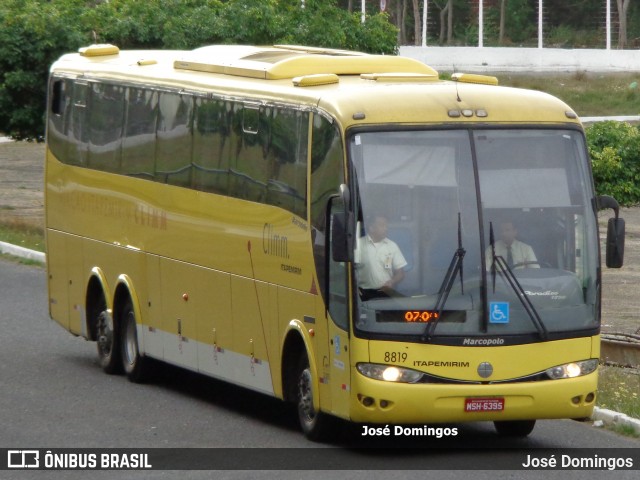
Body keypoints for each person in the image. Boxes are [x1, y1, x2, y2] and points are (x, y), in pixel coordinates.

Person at [356, 214, 408, 300]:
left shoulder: (392, 246)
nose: (386, 228)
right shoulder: (358, 245)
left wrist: (392, 282)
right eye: (382, 225)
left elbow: (400, 273)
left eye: (386, 225)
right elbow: (347, 270)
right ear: (371, 228)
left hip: (386, 292)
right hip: (363, 294)